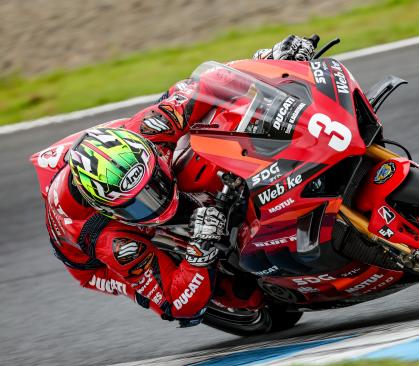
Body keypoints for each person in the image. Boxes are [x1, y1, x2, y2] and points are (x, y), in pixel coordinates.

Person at [41, 35, 315, 328]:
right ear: (111, 210)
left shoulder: (149, 129)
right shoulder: (109, 239)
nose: (157, 202)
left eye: (154, 185)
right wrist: (199, 248)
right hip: (91, 262)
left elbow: (207, 85)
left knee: (212, 130)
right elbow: (177, 302)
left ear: (151, 155)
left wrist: (268, 60)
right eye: (138, 205)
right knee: (237, 295)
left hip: (115, 155)